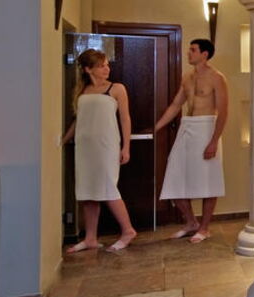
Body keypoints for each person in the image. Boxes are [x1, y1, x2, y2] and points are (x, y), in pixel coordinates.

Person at [60, 49, 137, 252]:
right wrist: (62, 141)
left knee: (108, 188)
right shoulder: (82, 91)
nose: (107, 69)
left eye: (107, 65)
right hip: (85, 148)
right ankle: (90, 238)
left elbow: (125, 119)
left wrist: (126, 147)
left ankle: (128, 230)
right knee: (87, 192)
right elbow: (78, 120)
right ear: (88, 69)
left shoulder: (116, 88)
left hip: (106, 146)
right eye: (102, 66)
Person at [154, 38, 229, 243]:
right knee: (174, 176)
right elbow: (175, 105)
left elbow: (223, 112)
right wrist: (156, 127)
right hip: (187, 127)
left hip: (207, 128)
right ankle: (191, 223)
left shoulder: (217, 78)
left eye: (193, 50)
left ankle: (204, 228)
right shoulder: (187, 77)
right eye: (189, 50)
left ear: (204, 54)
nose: (189, 53)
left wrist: (213, 141)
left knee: (208, 180)